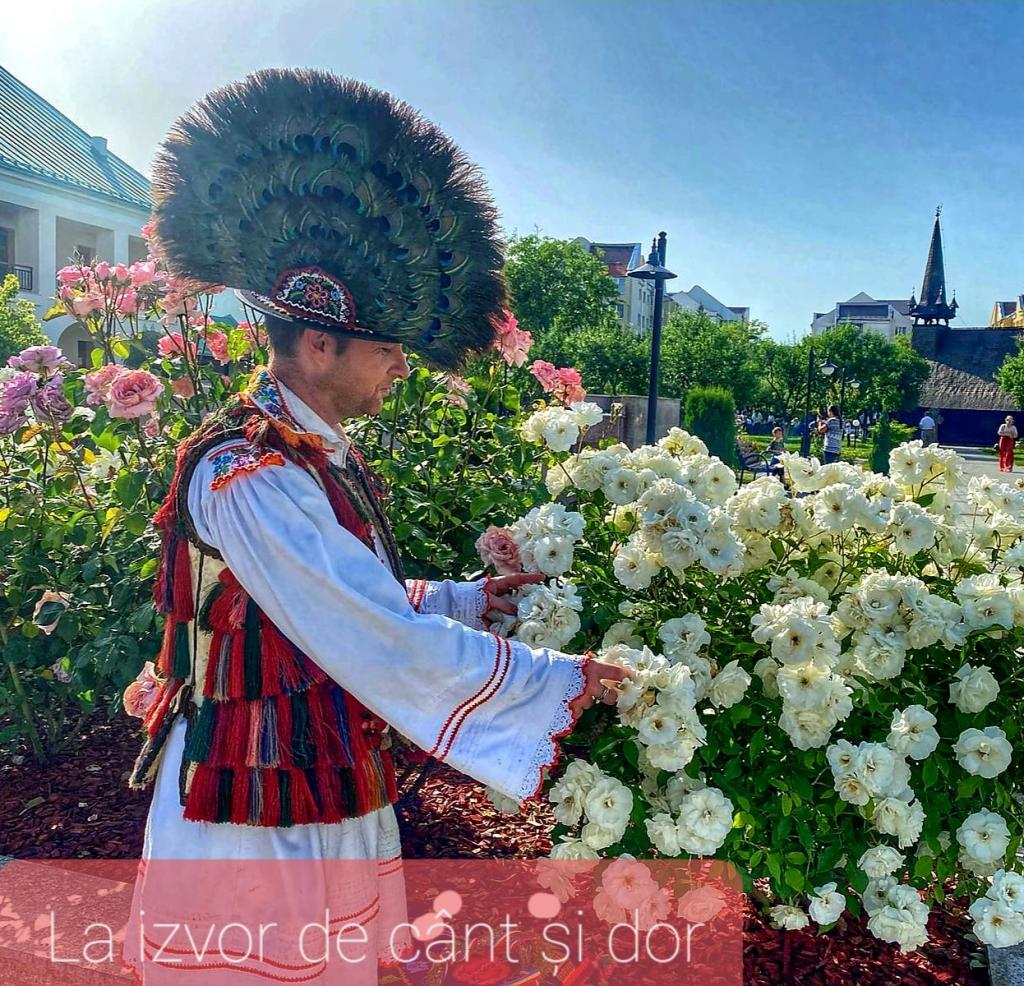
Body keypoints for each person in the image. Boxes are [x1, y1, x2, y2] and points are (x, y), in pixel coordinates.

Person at [121, 69, 627, 982]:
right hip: (251, 806)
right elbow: (364, 628)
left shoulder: (308, 454)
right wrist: (558, 680)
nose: (402, 368)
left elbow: (337, 599)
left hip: (314, 774)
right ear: (320, 343)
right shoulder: (248, 471)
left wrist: (470, 601)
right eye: (389, 348)